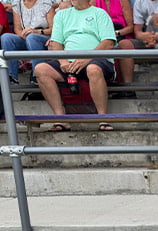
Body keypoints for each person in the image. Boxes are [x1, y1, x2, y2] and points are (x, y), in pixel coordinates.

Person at [33, 0, 116, 132]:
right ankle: (61, 119)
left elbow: (108, 42)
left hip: (97, 59)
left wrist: (85, 59)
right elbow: (56, 43)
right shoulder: (61, 15)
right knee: (41, 69)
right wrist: (63, 61)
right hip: (69, 62)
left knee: (93, 69)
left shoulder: (100, 13)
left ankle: (103, 118)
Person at [116, 0, 158, 81]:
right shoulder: (139, 2)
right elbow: (137, 32)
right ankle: (128, 87)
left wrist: (155, 38)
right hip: (147, 40)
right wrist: (146, 38)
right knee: (124, 44)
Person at [1, 0, 55, 84]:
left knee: (32, 37)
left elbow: (54, 29)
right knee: (6, 37)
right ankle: (12, 77)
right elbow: (17, 29)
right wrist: (23, 35)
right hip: (26, 37)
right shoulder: (17, 4)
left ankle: (36, 75)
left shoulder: (46, 3)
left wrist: (38, 32)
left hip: (44, 38)